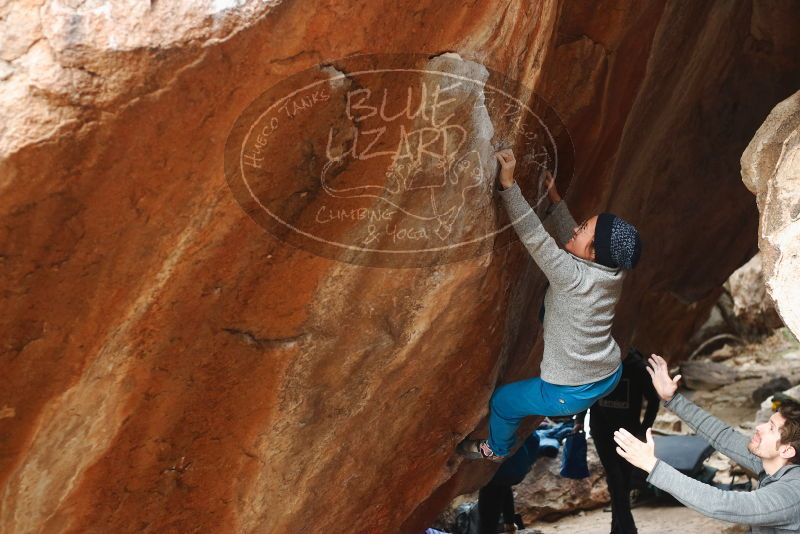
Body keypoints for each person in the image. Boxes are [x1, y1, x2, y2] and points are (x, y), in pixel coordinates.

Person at [459, 149, 642, 462]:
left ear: (595, 253)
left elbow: (536, 238)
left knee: (503, 402)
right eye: (583, 222)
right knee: (551, 306)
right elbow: (579, 246)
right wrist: (556, 200)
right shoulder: (613, 271)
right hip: (608, 371)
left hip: (568, 391)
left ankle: (495, 449)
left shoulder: (571, 277)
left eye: (583, 229)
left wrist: (508, 186)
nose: (576, 228)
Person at [614, 354, 800, 533]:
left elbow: (721, 504)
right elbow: (723, 436)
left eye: (771, 428)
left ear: (787, 450)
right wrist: (672, 399)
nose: (759, 427)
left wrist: (651, 465)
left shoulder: (790, 495)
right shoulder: (775, 464)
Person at [579, 348, 660, 534]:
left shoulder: (638, 368)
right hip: (601, 431)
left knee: (621, 481)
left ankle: (617, 529)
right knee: (615, 477)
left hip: (628, 434)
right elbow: (586, 393)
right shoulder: (598, 362)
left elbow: (653, 402)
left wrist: (643, 430)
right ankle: (629, 529)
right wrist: (579, 421)